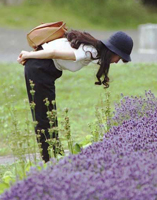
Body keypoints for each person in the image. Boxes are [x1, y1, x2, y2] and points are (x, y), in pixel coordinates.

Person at [17, 30, 134, 162]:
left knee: (49, 115)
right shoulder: (91, 51)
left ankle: (55, 156)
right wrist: (29, 55)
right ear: (113, 52)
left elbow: (56, 45)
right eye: (119, 57)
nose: (117, 62)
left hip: (44, 69)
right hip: (39, 69)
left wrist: (32, 55)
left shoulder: (94, 48)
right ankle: (49, 160)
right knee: (44, 117)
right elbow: (53, 53)